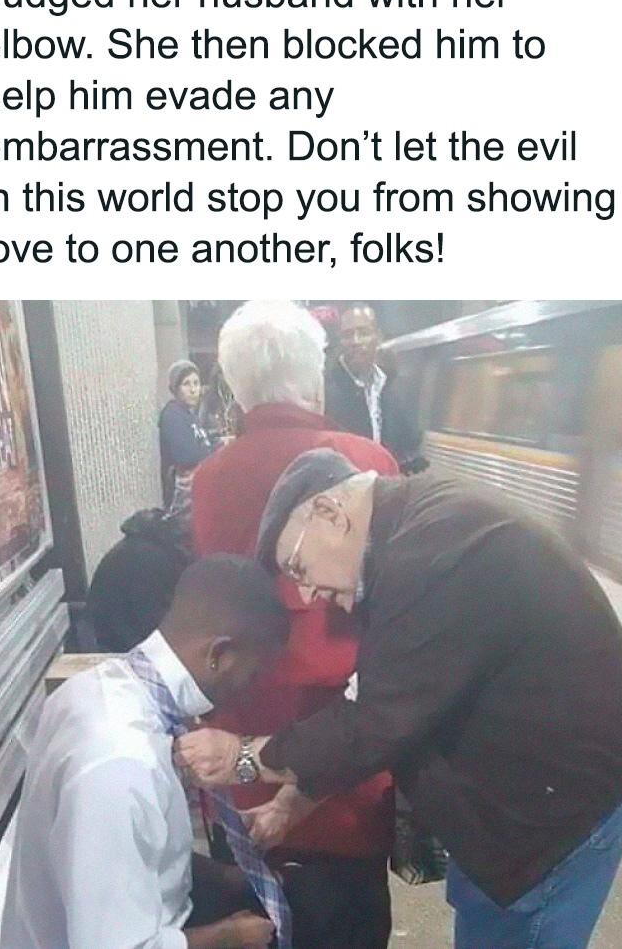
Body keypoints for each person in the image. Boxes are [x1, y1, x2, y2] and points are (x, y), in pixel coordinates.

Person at [178, 451, 622, 949]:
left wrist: (243, 756)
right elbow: (379, 691)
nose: (308, 592)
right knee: (486, 914)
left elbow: (374, 723)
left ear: (330, 513)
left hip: (556, 801)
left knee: (520, 928)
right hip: (515, 780)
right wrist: (295, 800)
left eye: (297, 566)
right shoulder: (406, 535)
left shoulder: (428, 554)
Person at [190, 301, 398, 949]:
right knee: (350, 921)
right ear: (315, 375)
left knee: (263, 924)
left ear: (235, 384)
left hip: (243, 764)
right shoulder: (369, 461)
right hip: (344, 762)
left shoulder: (207, 478)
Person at [0, 555, 290, 949]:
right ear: (219, 655)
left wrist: (226, 879)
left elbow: (135, 858)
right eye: (253, 673)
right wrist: (230, 937)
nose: (251, 690)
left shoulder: (95, 688)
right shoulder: (121, 763)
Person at [324, 304, 422, 466]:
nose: (355, 341)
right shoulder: (326, 390)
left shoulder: (395, 389)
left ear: (378, 337)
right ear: (339, 342)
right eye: (348, 335)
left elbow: (410, 445)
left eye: (363, 333)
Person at [87, 507, 193, 653]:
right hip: (125, 647)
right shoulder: (151, 560)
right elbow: (157, 628)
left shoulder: (140, 548)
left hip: (114, 639)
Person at [159, 360, 213, 504]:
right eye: (186, 384)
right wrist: (215, 451)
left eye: (196, 383)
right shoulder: (173, 414)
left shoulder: (191, 415)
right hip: (183, 499)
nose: (193, 389)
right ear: (176, 389)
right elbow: (185, 456)